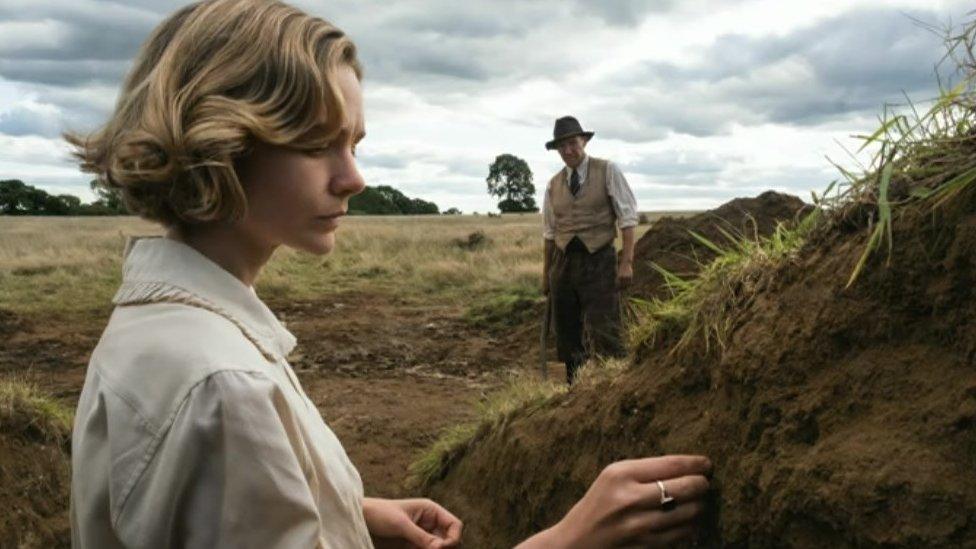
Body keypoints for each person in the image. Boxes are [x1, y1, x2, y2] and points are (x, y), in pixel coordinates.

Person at [67, 1, 711, 547]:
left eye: (355, 144)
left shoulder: (152, 325)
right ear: (220, 139)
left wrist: (348, 513)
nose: (354, 178)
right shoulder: (222, 387)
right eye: (318, 143)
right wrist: (566, 539)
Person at [542, 116, 639, 384]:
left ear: (583, 141)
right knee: (567, 332)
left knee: (606, 327)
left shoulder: (607, 171)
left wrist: (626, 262)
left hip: (599, 260)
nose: (568, 151)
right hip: (563, 265)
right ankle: (575, 388)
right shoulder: (553, 184)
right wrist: (546, 275)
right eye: (562, 147)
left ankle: (615, 385)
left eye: (573, 143)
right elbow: (550, 233)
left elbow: (628, 218)